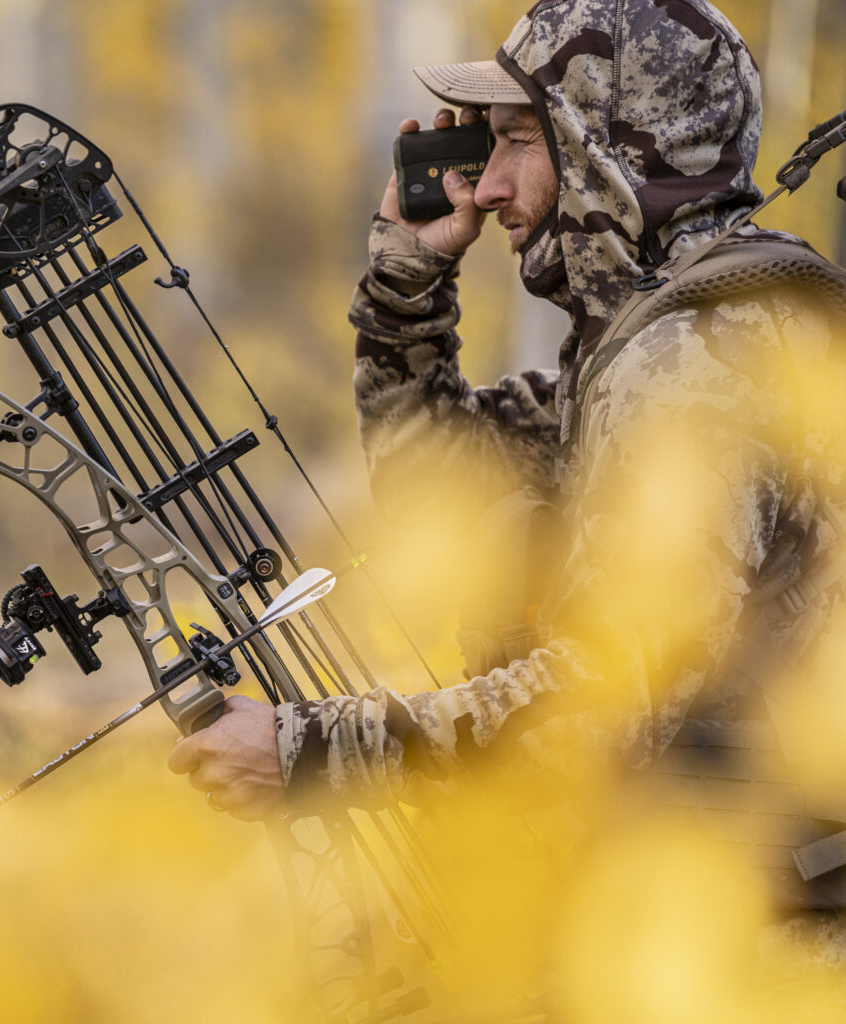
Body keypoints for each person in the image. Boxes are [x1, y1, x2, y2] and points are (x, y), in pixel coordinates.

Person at [169, 0, 846, 959]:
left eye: (521, 141)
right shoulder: (669, 336)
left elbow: (609, 702)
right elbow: (446, 495)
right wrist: (409, 280)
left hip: (768, 949)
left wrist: (308, 751)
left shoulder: (692, 363)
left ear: (611, 149)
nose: (484, 188)